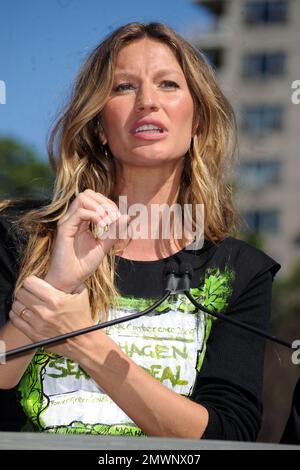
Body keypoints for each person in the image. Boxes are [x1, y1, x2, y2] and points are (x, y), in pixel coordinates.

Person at [0, 21, 281, 440]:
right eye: (124, 87)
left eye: (168, 84)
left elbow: (228, 437)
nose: (148, 101)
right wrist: (55, 286)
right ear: (98, 125)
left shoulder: (240, 269)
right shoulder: (22, 234)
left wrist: (84, 342)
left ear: (199, 118)